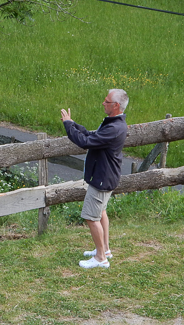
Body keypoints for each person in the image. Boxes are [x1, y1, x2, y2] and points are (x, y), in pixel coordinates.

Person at [60, 89, 128, 269]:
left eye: (106, 101)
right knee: (101, 212)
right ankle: (104, 250)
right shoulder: (115, 123)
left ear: (116, 106)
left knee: (91, 217)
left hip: (102, 178)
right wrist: (73, 124)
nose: (103, 103)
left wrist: (68, 126)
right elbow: (92, 136)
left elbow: (85, 142)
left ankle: (100, 258)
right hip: (107, 176)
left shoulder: (113, 128)